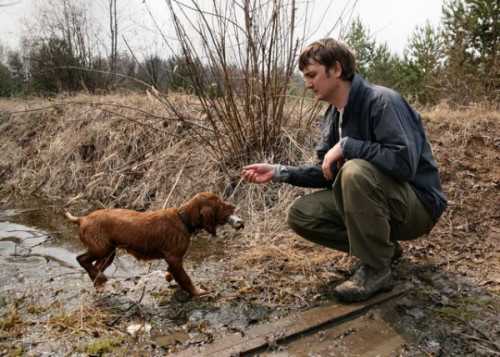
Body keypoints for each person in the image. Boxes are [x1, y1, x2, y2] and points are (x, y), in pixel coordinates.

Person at [241, 38, 447, 302]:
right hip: (384, 203)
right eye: (305, 77)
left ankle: (377, 270)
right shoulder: (332, 116)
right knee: (302, 214)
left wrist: (349, 146)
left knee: (354, 171)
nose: (308, 84)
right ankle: (382, 251)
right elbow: (327, 174)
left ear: (336, 69)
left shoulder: (383, 102)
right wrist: (279, 171)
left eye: (313, 75)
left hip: (418, 206)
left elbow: (404, 165)